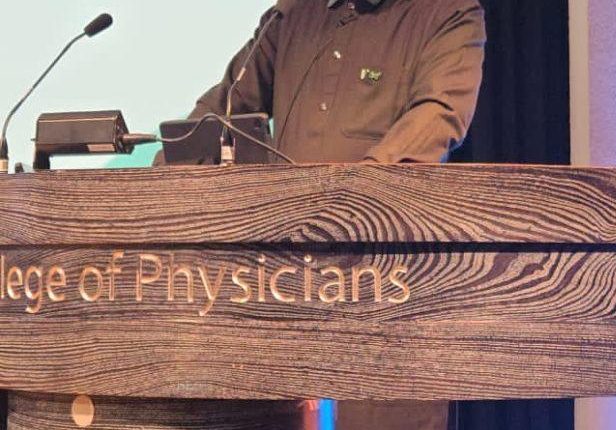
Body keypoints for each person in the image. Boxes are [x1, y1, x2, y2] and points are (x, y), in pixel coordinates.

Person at [157, 0, 485, 428]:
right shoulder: (293, 14)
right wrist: (157, 181)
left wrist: (343, 198)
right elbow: (221, 111)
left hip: (386, 296)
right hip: (282, 291)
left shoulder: (447, 13)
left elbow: (439, 115)